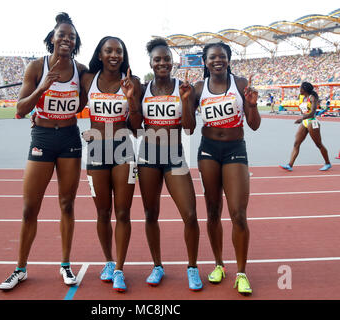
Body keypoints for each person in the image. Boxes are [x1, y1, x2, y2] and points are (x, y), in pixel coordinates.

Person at [0, 12, 88, 290]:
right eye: (61, 34)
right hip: (43, 136)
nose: (66, 39)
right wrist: (42, 88)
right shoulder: (36, 67)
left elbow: (88, 101)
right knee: (29, 208)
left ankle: (65, 265)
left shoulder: (81, 71)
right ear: (51, 39)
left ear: (75, 43)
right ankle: (20, 268)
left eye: (71, 37)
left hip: (70, 137)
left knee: (67, 204)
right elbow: (20, 109)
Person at [133, 38, 202, 291]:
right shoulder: (143, 89)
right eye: (157, 59)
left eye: (166, 58)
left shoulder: (184, 88)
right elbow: (135, 126)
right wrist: (131, 99)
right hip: (148, 156)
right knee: (151, 214)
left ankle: (192, 267)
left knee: (190, 214)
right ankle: (157, 265)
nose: (162, 62)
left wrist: (185, 100)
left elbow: (190, 128)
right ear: (151, 62)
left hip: (175, 155)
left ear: (172, 62)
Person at [193, 42, 260, 295]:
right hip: (208, 150)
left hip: (235, 150)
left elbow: (253, 125)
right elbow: (189, 126)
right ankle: (219, 264)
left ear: (229, 60)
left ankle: (241, 272)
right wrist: (188, 101)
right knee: (212, 211)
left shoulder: (241, 84)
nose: (217, 60)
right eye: (212, 57)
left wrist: (251, 105)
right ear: (205, 61)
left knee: (238, 213)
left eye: (222, 56)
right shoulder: (200, 88)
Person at [80, 36, 142, 292]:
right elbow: (67, 100)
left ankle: (119, 269)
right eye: (109, 50)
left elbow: (137, 125)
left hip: (123, 149)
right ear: (100, 54)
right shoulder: (87, 80)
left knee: (123, 213)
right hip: (95, 150)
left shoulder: (133, 82)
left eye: (119, 51)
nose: (114, 55)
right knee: (102, 212)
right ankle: (108, 260)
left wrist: (131, 98)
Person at [280, 82, 331, 172]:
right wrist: (303, 117)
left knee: (318, 144)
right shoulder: (303, 98)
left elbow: (312, 113)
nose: (299, 90)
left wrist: (301, 118)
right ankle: (290, 165)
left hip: (312, 122)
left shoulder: (312, 98)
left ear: (305, 89)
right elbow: (304, 110)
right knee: (296, 143)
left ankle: (327, 163)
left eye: (300, 88)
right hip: (305, 122)